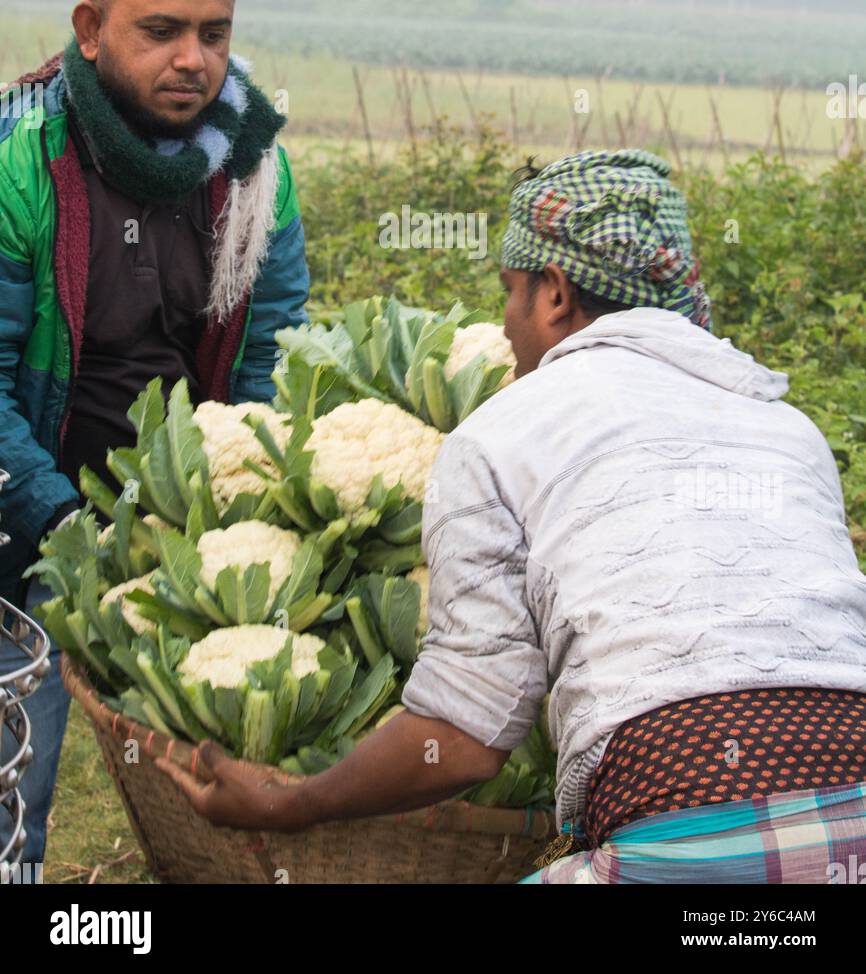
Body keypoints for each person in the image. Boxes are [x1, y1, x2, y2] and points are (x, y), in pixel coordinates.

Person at [160, 148, 866, 884]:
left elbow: (464, 737)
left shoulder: (500, 436)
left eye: (509, 292)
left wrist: (293, 803)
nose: (502, 326)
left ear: (554, 295)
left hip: (681, 829)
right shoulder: (788, 424)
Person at [0, 0, 311, 865]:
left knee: (224, 796)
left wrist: (222, 517)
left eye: (213, 33)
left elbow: (270, 360)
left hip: (181, 531)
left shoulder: (255, 170)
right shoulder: (22, 160)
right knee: (16, 776)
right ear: (91, 31)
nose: (192, 58)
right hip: (27, 525)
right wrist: (65, 531)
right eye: (161, 30)